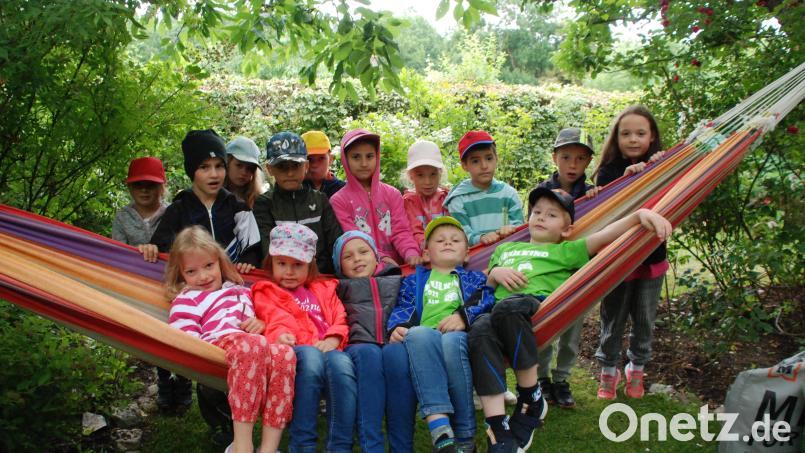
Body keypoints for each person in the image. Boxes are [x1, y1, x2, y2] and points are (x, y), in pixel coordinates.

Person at [469, 187, 672, 452]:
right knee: (478, 330)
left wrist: (639, 215)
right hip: (497, 313)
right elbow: (479, 280)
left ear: (566, 230)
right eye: (537, 212)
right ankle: (498, 427)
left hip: (537, 306)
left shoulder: (566, 250)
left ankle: (531, 396)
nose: (541, 217)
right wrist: (495, 272)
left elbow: (605, 236)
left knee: (509, 307)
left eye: (552, 214)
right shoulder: (506, 248)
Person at [165, 226, 295, 453]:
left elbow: (260, 321)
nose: (204, 276)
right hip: (217, 347)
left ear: (220, 262)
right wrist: (203, 358)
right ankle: (242, 445)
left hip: (253, 347)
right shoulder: (187, 299)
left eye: (209, 266)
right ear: (180, 274)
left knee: (285, 354)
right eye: (192, 271)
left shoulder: (241, 291)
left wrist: (261, 324)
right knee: (254, 344)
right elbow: (184, 339)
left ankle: (268, 448)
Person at [387, 216, 496, 453]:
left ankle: (465, 438)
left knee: (452, 340)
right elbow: (403, 306)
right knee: (416, 334)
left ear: (467, 254)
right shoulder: (414, 280)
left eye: (455, 240)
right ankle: (441, 430)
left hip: (457, 337)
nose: (448, 243)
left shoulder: (474, 278)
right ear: (426, 254)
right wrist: (397, 326)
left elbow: (486, 299)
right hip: (424, 339)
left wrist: (462, 316)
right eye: (440, 240)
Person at [251, 223, 356, 453]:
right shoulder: (267, 291)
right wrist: (281, 335)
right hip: (296, 351)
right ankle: (303, 444)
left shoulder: (324, 289)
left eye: (297, 265)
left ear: (310, 266)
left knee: (342, 365)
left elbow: (340, 316)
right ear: (271, 264)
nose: (288, 271)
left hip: (328, 349)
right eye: (282, 264)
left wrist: (334, 338)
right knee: (310, 358)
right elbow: (273, 318)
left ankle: (340, 446)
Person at [591, 105, 668, 400]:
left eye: (640, 133)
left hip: (651, 258)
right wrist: (628, 179)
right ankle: (608, 370)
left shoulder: (662, 165)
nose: (633, 139)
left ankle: (636, 369)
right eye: (626, 134)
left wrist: (656, 168)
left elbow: (671, 193)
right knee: (613, 318)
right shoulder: (608, 172)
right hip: (618, 261)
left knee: (645, 320)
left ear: (652, 137)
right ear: (616, 138)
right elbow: (606, 208)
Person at [333, 230, 417, 453]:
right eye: (348, 256)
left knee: (397, 356)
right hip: (359, 345)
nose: (357, 259)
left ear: (376, 256)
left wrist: (403, 327)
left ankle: (402, 447)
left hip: (393, 341)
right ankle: (372, 446)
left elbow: (410, 305)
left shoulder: (397, 279)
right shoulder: (337, 287)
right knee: (368, 356)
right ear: (339, 266)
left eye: (363, 252)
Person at [532, 127, 598, 409]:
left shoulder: (594, 194)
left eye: (581, 159)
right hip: (548, 272)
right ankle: (542, 378)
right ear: (554, 158)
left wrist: (599, 198)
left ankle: (562, 378)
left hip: (579, 272)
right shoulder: (542, 193)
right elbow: (533, 229)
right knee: (545, 329)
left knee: (572, 333)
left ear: (588, 162)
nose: (573, 164)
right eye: (567, 157)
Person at [147, 129, 261, 270]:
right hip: (194, 285)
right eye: (204, 167)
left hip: (233, 285)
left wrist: (248, 261)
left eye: (219, 166)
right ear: (191, 171)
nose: (214, 174)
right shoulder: (178, 210)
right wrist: (150, 249)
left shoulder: (239, 208)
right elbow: (159, 248)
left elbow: (253, 247)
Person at [330, 128, 423, 267]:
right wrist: (382, 258)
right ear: (345, 159)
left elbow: (401, 230)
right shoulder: (338, 201)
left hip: (399, 268)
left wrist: (411, 253)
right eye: (356, 157)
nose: (364, 163)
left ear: (377, 156)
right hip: (364, 269)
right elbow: (354, 240)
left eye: (369, 156)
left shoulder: (392, 194)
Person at [253, 131, 342, 274]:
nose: (289, 173)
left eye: (295, 165)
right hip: (283, 279)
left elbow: (336, 243)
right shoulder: (264, 204)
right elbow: (267, 250)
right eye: (282, 166)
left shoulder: (320, 200)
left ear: (306, 166)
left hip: (322, 278)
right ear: (269, 169)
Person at [443, 130, 524, 246]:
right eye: (475, 161)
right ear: (465, 165)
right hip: (475, 258)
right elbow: (460, 235)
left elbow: (520, 227)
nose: (484, 166)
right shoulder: (458, 199)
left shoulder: (509, 194)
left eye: (489, 158)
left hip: (508, 254)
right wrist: (480, 238)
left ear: (497, 159)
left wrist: (512, 229)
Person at [113, 157, 168, 253]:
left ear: (161, 187)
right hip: (130, 266)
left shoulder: (173, 213)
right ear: (130, 188)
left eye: (150, 184)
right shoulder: (122, 217)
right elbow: (118, 253)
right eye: (138, 185)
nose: (144, 190)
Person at [402, 140, 450, 247]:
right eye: (420, 175)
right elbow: (413, 230)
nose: (427, 182)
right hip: (421, 256)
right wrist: (427, 245)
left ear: (440, 173)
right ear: (411, 176)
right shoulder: (408, 202)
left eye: (433, 174)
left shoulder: (447, 198)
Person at [301, 130, 345, 198]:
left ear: (330, 159)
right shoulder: (294, 188)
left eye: (321, 158)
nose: (315, 164)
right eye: (309, 159)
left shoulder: (343, 190)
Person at [224, 136, 266, 209]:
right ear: (227, 163)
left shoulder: (259, 201)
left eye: (250, 168)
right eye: (239, 165)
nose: (244, 172)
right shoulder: (210, 195)